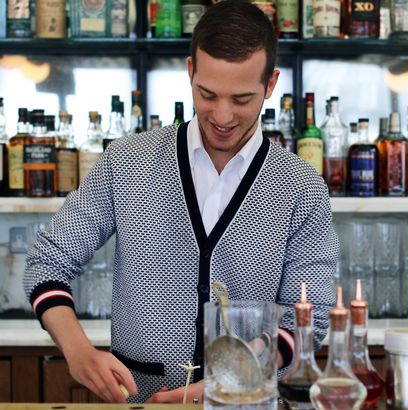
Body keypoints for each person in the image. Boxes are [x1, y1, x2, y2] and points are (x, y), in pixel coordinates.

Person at [23, 0, 339, 404]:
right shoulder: (127, 161)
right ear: (190, 71)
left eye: (241, 99)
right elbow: (47, 261)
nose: (222, 116)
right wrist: (77, 350)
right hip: (142, 398)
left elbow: (310, 312)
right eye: (207, 94)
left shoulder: (300, 186)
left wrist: (239, 373)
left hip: (247, 402)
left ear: (271, 84)